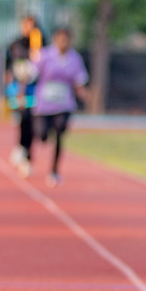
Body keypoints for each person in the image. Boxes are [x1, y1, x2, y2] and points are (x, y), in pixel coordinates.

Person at [30, 27, 90, 186]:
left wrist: (84, 94)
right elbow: (31, 73)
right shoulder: (45, 55)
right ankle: (33, 148)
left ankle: (54, 171)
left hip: (64, 104)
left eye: (67, 39)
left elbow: (79, 81)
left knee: (60, 133)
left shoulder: (75, 58)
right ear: (56, 39)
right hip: (44, 103)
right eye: (61, 39)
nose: (64, 42)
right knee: (41, 134)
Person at [5, 15, 43, 177]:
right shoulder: (15, 43)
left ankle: (26, 152)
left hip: (35, 88)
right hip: (18, 88)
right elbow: (10, 66)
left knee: (32, 120)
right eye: (25, 25)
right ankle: (22, 148)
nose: (28, 28)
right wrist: (9, 84)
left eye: (31, 25)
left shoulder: (41, 43)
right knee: (23, 118)